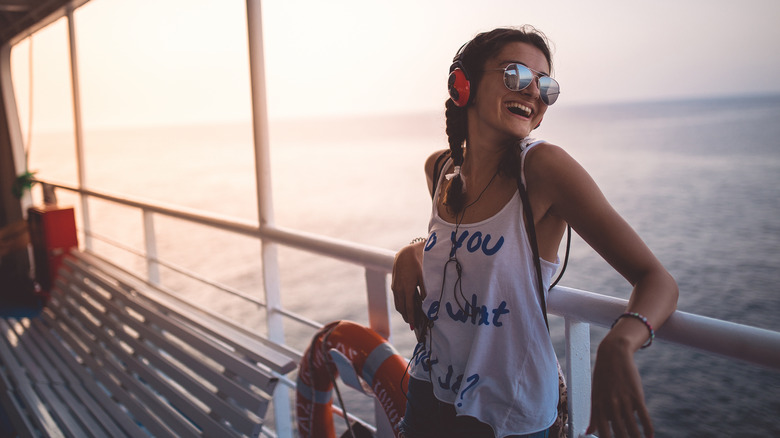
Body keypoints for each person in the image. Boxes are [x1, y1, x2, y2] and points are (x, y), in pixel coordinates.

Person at [391, 26, 678, 438]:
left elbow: (657, 280)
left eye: (546, 85)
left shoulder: (543, 169)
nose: (533, 92)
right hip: (427, 389)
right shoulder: (440, 170)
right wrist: (412, 250)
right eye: (516, 75)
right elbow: (454, 247)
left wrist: (620, 341)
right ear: (462, 84)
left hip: (508, 411)